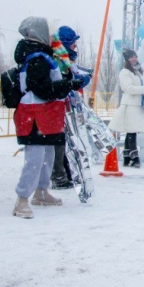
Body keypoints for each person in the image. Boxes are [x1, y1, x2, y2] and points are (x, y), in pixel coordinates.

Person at [11, 17, 85, 219]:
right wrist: (69, 85)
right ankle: (22, 199)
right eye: (50, 32)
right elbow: (42, 89)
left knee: (47, 157)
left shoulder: (45, 56)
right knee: (34, 159)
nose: (54, 37)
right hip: (35, 114)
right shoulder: (37, 57)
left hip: (48, 114)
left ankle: (41, 192)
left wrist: (70, 81)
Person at [49, 25, 91, 189]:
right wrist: (75, 81)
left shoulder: (65, 59)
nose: (76, 46)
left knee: (64, 139)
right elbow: (62, 80)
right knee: (58, 139)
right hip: (55, 104)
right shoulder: (58, 59)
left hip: (63, 104)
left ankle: (64, 172)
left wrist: (78, 80)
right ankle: (59, 175)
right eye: (73, 42)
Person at [108, 49, 144, 167]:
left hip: (138, 105)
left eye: (135, 56)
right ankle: (134, 157)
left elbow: (143, 86)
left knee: (132, 130)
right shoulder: (125, 72)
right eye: (131, 57)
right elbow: (129, 88)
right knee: (132, 130)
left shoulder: (139, 72)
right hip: (130, 105)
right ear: (127, 59)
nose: (134, 59)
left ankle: (127, 157)